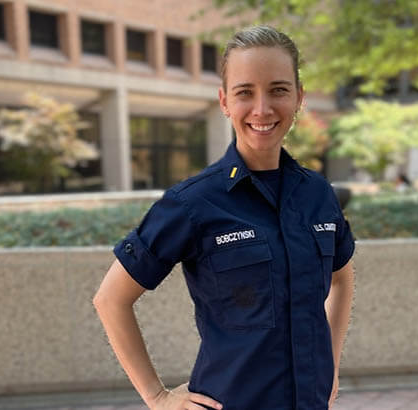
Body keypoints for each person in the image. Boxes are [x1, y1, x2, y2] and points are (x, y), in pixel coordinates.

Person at [93, 25, 356, 410]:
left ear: (299, 97)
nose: (262, 109)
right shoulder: (193, 203)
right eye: (245, 92)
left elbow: (341, 279)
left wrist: (330, 364)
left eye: (279, 90)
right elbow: (110, 299)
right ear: (224, 101)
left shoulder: (318, 194)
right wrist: (157, 397)